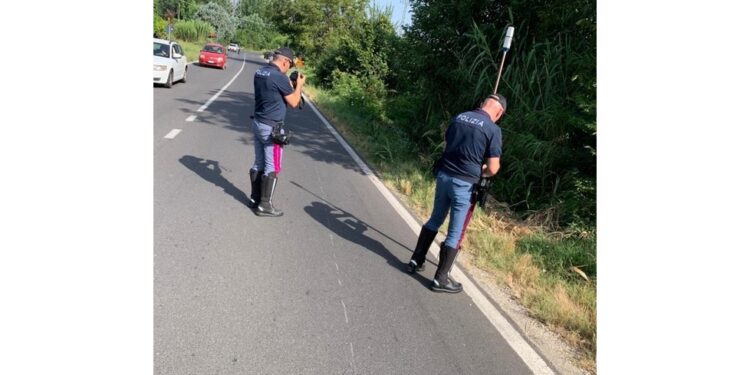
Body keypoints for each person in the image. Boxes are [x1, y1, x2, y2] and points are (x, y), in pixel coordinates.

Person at [406, 94, 506, 293]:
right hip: (465, 184)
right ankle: (440, 278)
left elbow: (449, 143)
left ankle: (416, 259)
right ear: (499, 112)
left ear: (482, 104)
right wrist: (482, 171)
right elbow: (493, 168)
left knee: (435, 219)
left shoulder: (460, 117)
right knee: (455, 232)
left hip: (444, 176)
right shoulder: (493, 129)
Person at [248, 47, 306, 217]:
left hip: (258, 123)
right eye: (289, 65)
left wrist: (289, 84)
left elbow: (275, 95)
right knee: (273, 166)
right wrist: (299, 86)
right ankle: (265, 205)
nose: (289, 68)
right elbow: (295, 102)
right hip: (272, 128)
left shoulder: (260, 72)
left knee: (259, 162)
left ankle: (254, 199)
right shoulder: (279, 77)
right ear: (284, 61)